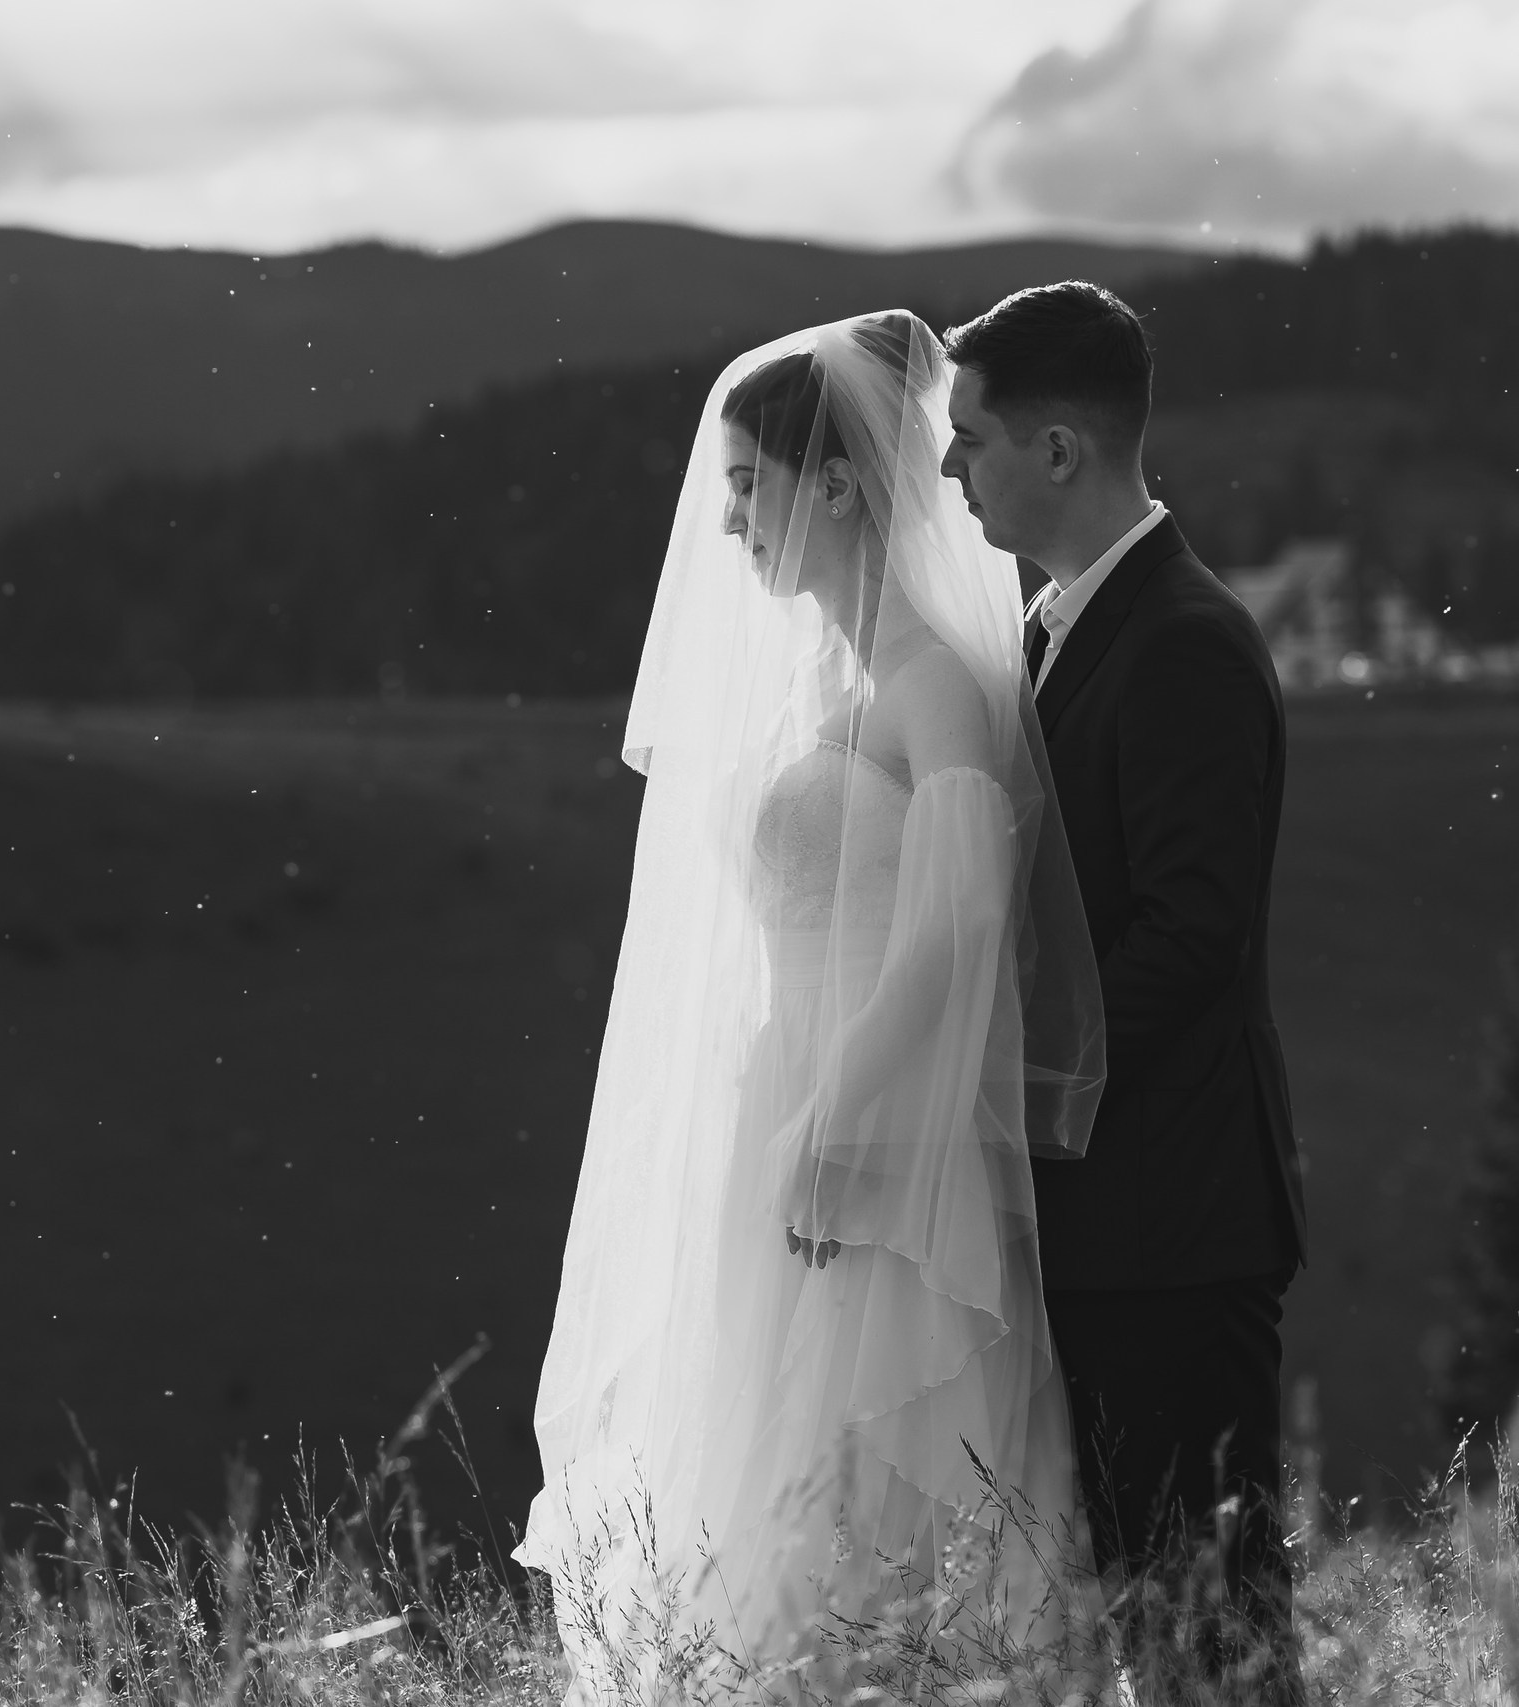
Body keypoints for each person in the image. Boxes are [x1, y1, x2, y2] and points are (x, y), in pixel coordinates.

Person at [512, 311, 1108, 1703]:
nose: (728, 526)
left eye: (747, 488)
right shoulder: (836, 686)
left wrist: (842, 1112)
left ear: (833, 482)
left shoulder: (934, 689)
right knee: (760, 1482)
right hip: (798, 1111)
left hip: (876, 1133)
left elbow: (961, 921)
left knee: (862, 1500)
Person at [941, 282, 1308, 1704]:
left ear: (1057, 453)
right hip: (1101, 1213)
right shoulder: (1054, 628)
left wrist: (994, 1087)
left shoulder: (1183, 642)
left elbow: (1187, 941)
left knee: (1212, 1623)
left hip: (1174, 1217)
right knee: (1147, 1618)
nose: (950, 474)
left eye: (969, 442)